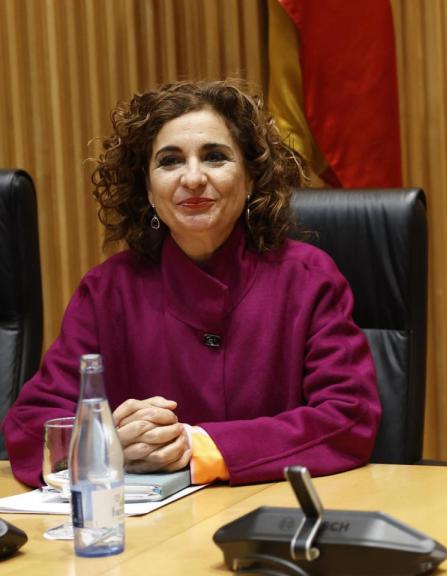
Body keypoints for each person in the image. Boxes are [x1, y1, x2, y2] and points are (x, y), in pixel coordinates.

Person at [3, 80, 381, 487]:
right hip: (148, 538)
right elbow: (29, 426)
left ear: (252, 179)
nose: (194, 178)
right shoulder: (107, 290)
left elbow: (349, 416)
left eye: (215, 157)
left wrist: (199, 445)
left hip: (272, 518)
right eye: (170, 161)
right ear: (148, 189)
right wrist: (104, 442)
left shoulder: (308, 278)